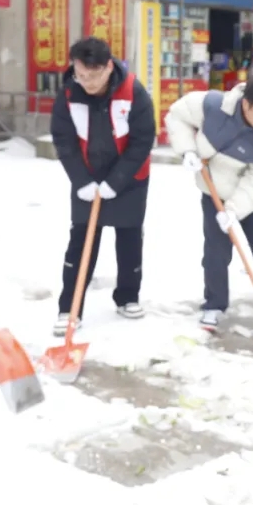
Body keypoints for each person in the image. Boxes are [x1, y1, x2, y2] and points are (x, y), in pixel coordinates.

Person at [165, 74, 253, 332]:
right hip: (213, 191)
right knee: (216, 251)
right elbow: (177, 116)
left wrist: (234, 209)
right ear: (245, 104)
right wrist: (187, 149)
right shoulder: (213, 106)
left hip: (250, 197)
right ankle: (214, 305)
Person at [49, 38, 155, 335]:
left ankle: (127, 296)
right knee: (81, 239)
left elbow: (143, 140)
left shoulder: (133, 92)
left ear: (109, 67)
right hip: (87, 174)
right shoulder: (69, 94)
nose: (87, 82)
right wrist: (81, 181)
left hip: (129, 177)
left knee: (129, 237)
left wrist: (116, 182)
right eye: (81, 75)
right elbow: (63, 140)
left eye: (93, 76)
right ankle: (69, 308)